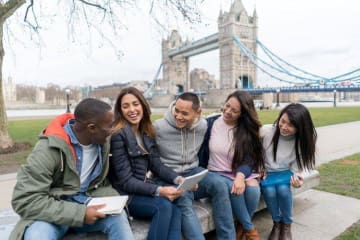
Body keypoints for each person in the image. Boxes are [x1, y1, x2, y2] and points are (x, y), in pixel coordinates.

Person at [10, 98, 134, 240]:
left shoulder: (101, 142)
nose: (112, 131)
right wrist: (79, 213)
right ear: (92, 128)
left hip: (89, 202)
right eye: (109, 126)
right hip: (54, 208)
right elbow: (24, 199)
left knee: (119, 219)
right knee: (37, 236)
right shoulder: (48, 149)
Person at [154, 92, 236, 240]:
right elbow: (153, 162)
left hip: (193, 172)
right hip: (167, 177)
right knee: (184, 197)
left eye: (184, 113)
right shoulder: (158, 127)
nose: (178, 116)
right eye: (176, 110)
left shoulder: (202, 125)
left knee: (220, 185)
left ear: (198, 113)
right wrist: (178, 180)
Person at [108, 87, 184, 240]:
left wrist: (178, 179)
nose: (132, 109)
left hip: (141, 188)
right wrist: (160, 190)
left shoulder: (146, 131)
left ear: (143, 105)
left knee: (176, 207)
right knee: (163, 206)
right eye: (126, 106)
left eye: (135, 104)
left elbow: (156, 165)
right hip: (125, 195)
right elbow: (126, 182)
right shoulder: (118, 135)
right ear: (120, 111)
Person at [198, 90, 265, 240]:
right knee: (232, 187)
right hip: (215, 172)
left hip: (237, 171)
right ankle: (250, 229)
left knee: (253, 189)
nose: (227, 111)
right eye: (227, 106)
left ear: (242, 114)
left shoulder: (246, 130)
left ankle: (241, 227)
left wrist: (240, 176)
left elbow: (249, 159)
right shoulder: (211, 123)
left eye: (234, 110)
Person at [260, 103, 317, 240]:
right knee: (269, 191)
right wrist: (258, 167)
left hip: (286, 172)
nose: (284, 127)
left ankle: (286, 225)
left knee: (283, 190)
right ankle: (276, 223)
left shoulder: (301, 140)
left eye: (290, 125)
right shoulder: (267, 131)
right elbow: (253, 151)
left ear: (300, 127)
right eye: (283, 121)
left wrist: (298, 177)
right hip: (267, 172)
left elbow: (298, 166)